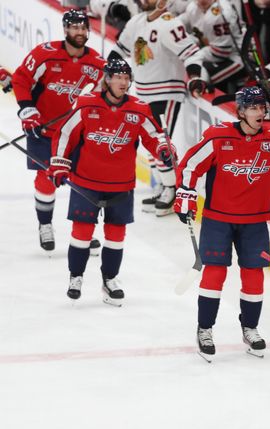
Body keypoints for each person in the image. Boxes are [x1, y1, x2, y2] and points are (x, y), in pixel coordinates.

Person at [173, 86, 270, 359]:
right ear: (241, 112)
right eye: (253, 107)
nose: (260, 113)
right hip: (219, 219)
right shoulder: (219, 137)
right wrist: (185, 194)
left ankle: (250, 327)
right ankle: (205, 329)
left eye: (263, 107)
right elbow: (191, 165)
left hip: (254, 222)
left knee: (254, 277)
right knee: (214, 274)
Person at [49, 59, 173, 305]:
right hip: (86, 181)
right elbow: (65, 134)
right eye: (119, 77)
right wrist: (59, 164)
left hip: (121, 183)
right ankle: (76, 276)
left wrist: (163, 148)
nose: (124, 83)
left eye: (127, 78)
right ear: (107, 79)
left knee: (116, 235)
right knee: (82, 232)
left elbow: (154, 135)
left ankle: (110, 279)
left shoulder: (139, 109)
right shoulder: (85, 104)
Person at [11, 9, 106, 253]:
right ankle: (45, 225)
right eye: (74, 28)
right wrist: (27, 110)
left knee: (83, 182)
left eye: (83, 28)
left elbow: (101, 100)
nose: (80, 32)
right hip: (44, 131)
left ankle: (82, 230)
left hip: (75, 135)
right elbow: (21, 80)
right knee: (46, 180)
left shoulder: (96, 64)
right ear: (65, 30)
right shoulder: (45, 54)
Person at [109, 0, 207, 215]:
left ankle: (172, 189)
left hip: (167, 91)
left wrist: (194, 76)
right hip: (143, 93)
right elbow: (119, 51)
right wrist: (105, 74)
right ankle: (164, 186)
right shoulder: (136, 21)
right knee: (151, 142)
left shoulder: (169, 24)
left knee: (162, 142)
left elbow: (191, 53)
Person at [179, 0, 244, 93]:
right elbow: (179, 24)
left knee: (200, 75)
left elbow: (221, 52)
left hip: (237, 56)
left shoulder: (221, 13)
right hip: (212, 52)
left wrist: (194, 53)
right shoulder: (193, 7)